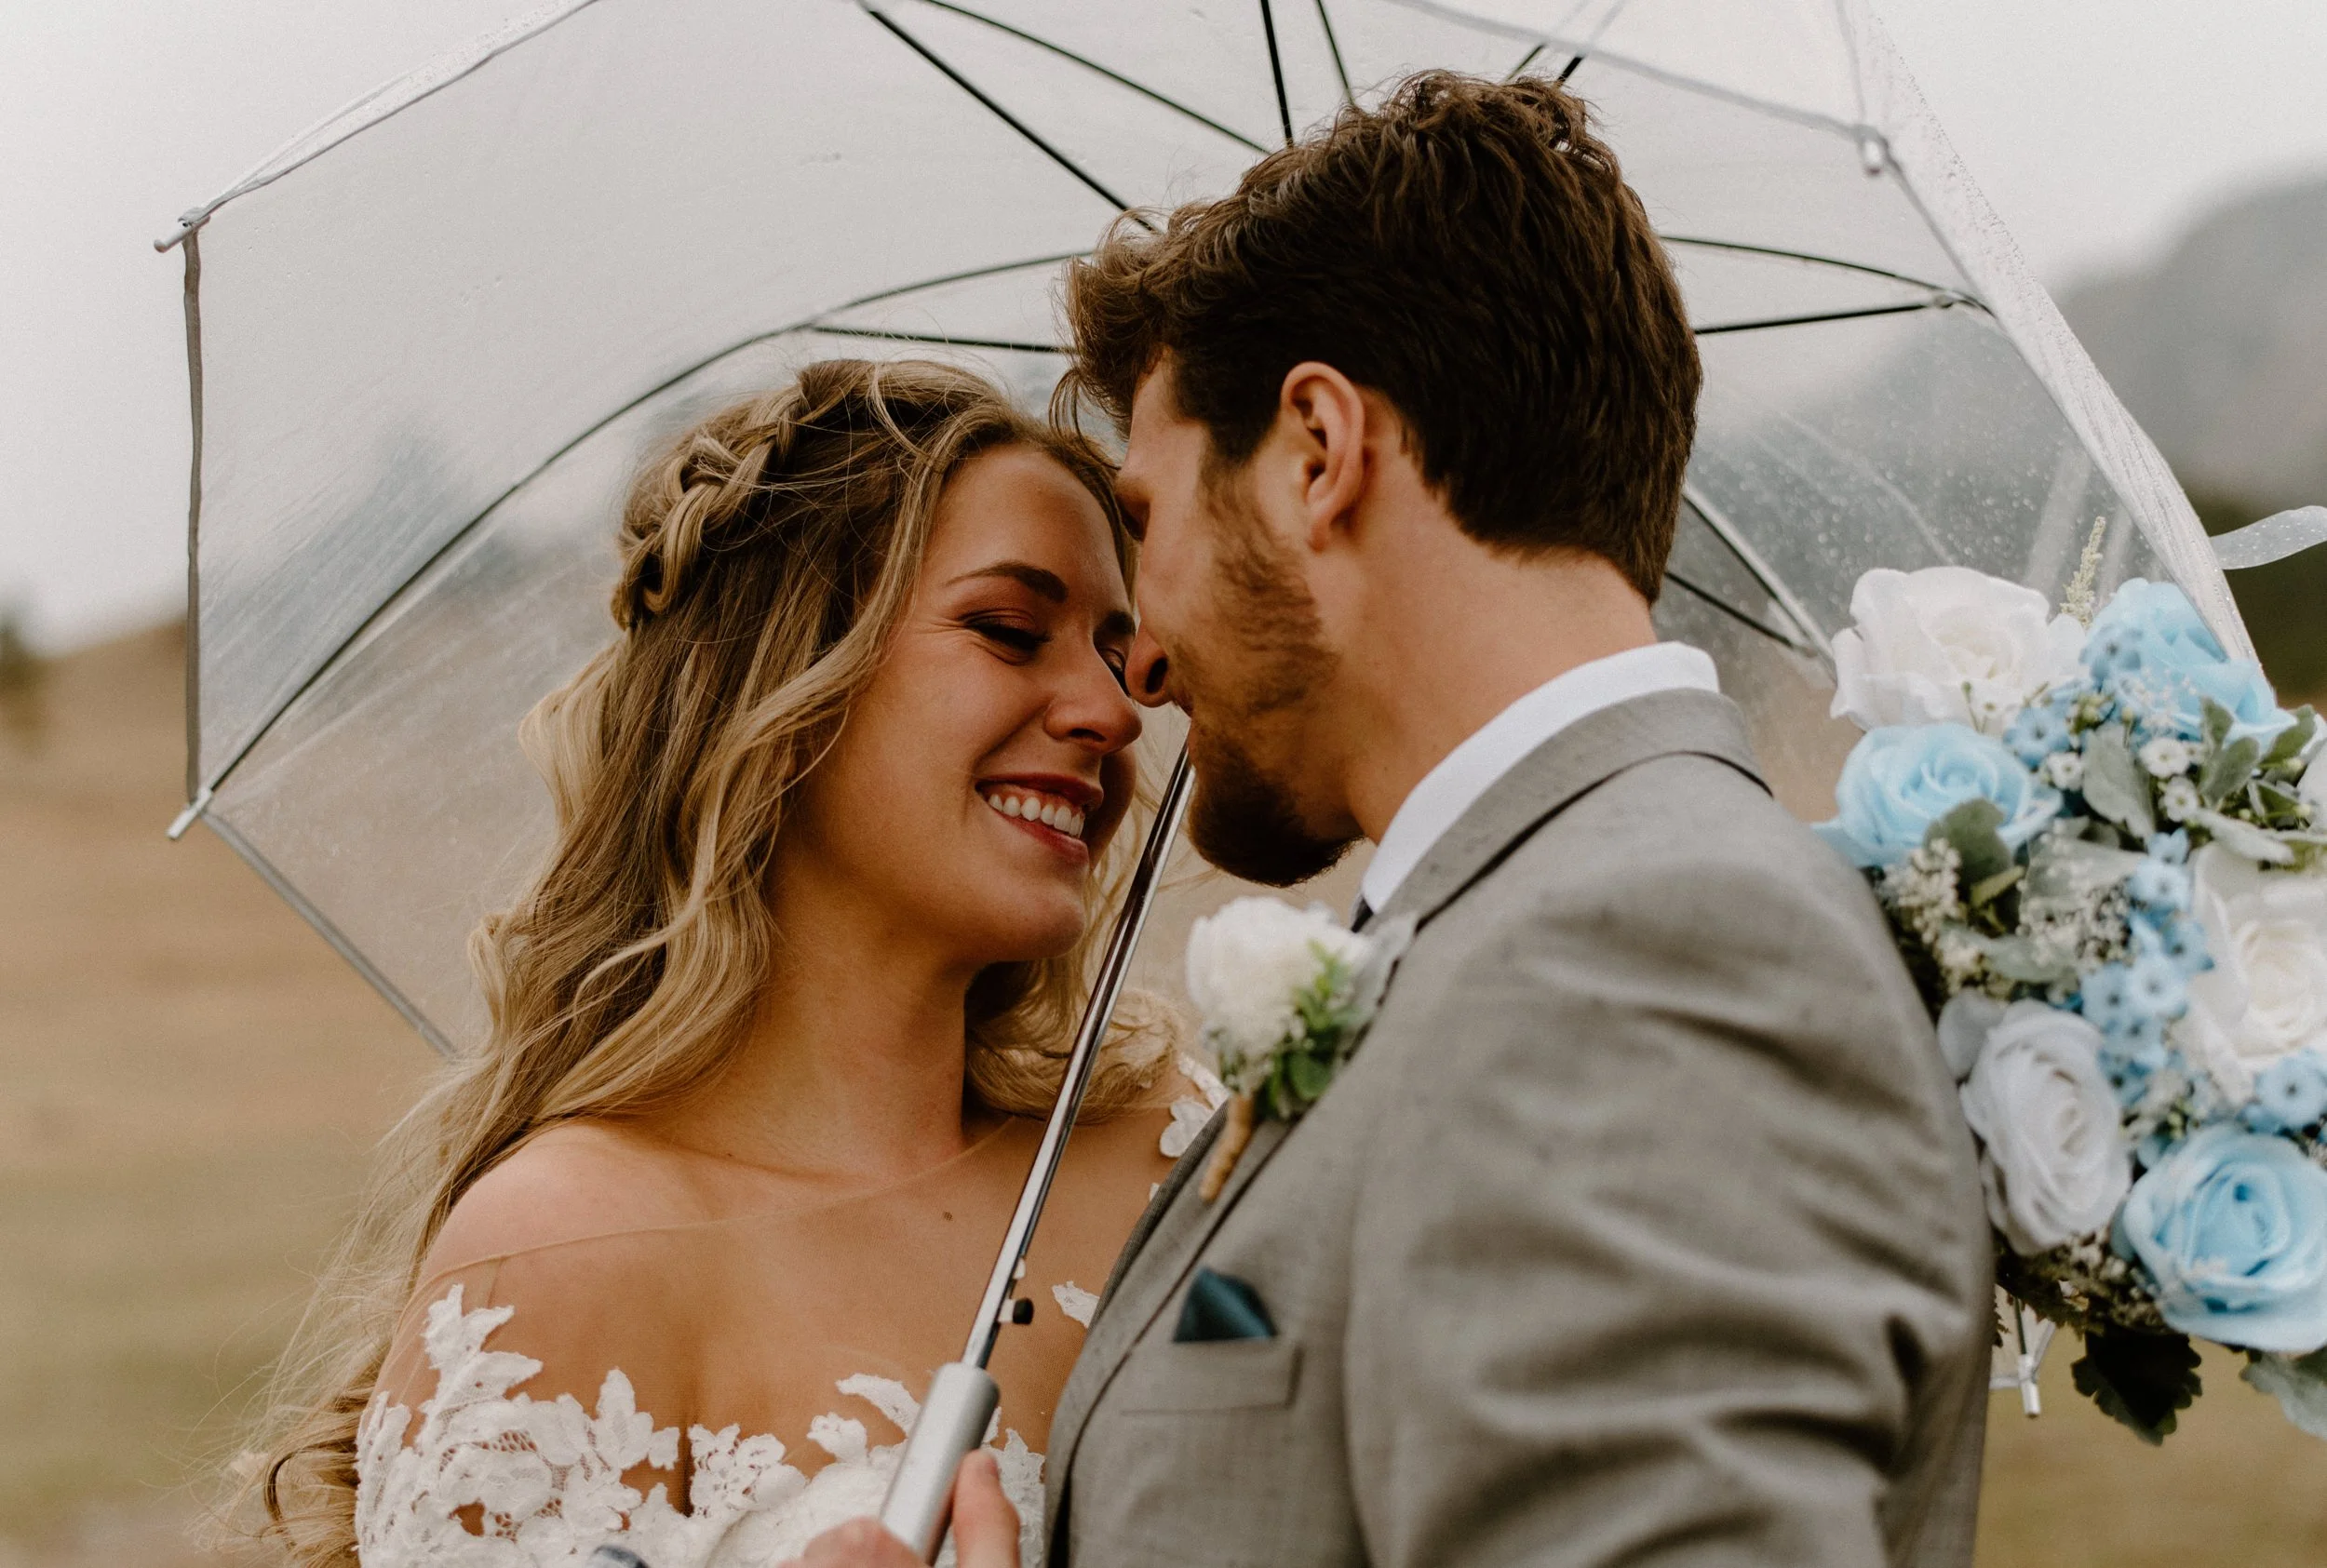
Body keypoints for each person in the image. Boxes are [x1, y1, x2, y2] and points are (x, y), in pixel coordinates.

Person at [791, 71, 1992, 1568]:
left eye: (1148, 522)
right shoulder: (1536, 926)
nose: (1142, 664)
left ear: (1315, 455)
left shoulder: (1644, 956)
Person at [241, 359, 1217, 1568]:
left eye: (1123, 657)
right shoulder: (568, 1252)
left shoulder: (1181, 1155)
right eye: (1011, 631)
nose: (1113, 712)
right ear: (787, 691)